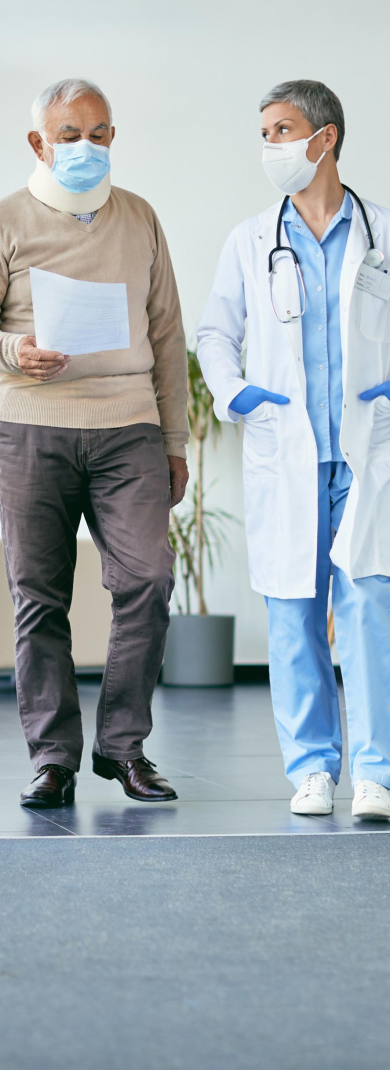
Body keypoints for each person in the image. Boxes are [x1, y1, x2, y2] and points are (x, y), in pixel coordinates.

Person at [0, 78, 190, 807]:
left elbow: (168, 336)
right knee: (39, 597)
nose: (84, 146)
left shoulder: (141, 218)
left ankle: (122, 747)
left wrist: (175, 441)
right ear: (38, 143)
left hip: (129, 428)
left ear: (113, 136)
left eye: (97, 132)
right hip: (30, 424)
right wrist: (13, 350)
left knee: (148, 579)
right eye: (68, 134)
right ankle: (52, 757)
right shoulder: (3, 219)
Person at [197, 80, 390, 821]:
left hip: (367, 446)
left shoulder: (380, 231)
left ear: (326, 137)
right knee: (292, 608)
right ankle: (312, 767)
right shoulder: (250, 240)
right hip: (288, 449)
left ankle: (375, 770)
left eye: (282, 130)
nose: (271, 146)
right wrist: (235, 391)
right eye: (265, 133)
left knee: (371, 604)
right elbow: (216, 333)